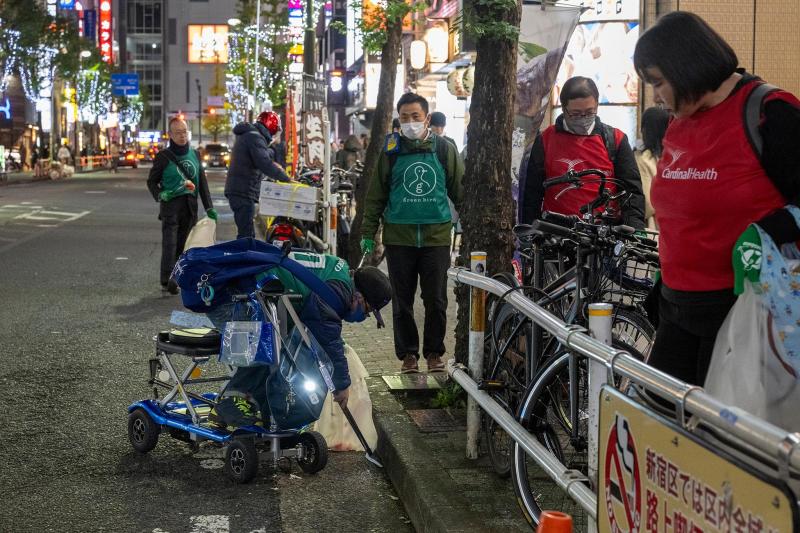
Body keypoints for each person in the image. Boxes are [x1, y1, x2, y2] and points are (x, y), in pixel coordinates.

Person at [633, 12, 800, 386]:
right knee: (662, 429)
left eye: (659, 82)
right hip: (676, 309)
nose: (657, 96)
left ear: (686, 67)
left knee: (719, 439)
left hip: (745, 313)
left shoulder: (771, 113)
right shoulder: (681, 119)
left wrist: (769, 230)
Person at [207, 250, 392, 426]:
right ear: (359, 297)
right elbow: (327, 334)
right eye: (368, 310)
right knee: (268, 344)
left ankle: (262, 408)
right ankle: (232, 403)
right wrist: (341, 384)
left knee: (279, 341)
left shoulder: (339, 271)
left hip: (246, 293)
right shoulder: (339, 290)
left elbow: (321, 329)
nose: (364, 317)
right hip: (232, 296)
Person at [360, 92, 464, 373]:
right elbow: (376, 195)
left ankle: (434, 353)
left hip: (437, 238)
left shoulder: (444, 149)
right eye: (404, 117)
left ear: (427, 118)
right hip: (399, 239)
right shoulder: (391, 150)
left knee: (437, 299)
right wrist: (368, 232)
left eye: (415, 117)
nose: (410, 122)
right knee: (402, 302)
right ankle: (408, 355)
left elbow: (460, 191)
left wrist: (469, 229)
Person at [519, 76, 645, 229]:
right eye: (576, 114)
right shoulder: (545, 140)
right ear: (564, 108)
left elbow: (632, 193)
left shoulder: (615, 140)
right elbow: (532, 194)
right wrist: (528, 235)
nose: (583, 118)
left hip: (603, 236)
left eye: (589, 112)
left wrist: (635, 232)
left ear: (597, 105)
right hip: (557, 234)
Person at [147, 117, 217, 295]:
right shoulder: (163, 157)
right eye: (178, 133)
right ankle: (167, 280)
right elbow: (151, 181)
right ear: (170, 135)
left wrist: (209, 207)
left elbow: (202, 183)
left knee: (184, 244)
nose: (182, 136)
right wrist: (160, 194)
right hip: (170, 205)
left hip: (190, 205)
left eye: (184, 132)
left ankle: (177, 278)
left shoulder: (194, 154)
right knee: (169, 243)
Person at [226, 110, 291, 240]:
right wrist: (286, 179)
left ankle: (247, 257)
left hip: (240, 190)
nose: (274, 135)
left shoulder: (250, 135)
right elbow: (264, 163)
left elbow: (260, 159)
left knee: (247, 233)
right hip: (243, 192)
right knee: (246, 236)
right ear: (270, 126)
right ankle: (244, 258)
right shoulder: (254, 137)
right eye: (275, 130)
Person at [634, 107, 669, 230]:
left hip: (654, 225)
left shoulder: (643, 158)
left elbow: (647, 202)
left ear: (644, 129)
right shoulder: (673, 156)